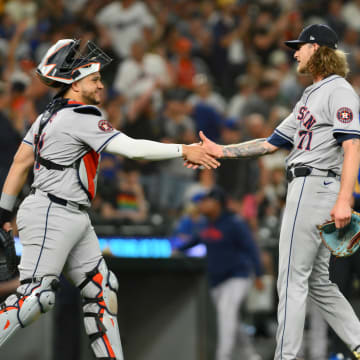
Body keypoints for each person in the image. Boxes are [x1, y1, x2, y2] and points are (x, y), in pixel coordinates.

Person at [0, 39, 219, 360]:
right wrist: (183, 149)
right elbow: (132, 148)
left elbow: (20, 162)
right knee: (35, 297)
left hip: (70, 214)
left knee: (102, 291)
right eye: (94, 79)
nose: (102, 84)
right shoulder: (80, 117)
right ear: (74, 84)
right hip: (52, 211)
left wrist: (4, 210)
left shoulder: (48, 115)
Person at [191, 24, 360, 360]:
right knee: (317, 283)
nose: (294, 52)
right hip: (312, 185)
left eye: (300, 47)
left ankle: (285, 356)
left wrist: (345, 199)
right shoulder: (311, 95)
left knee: (290, 280)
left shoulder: (339, 90)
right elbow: (269, 144)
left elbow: (353, 144)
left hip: (314, 185)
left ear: (316, 49)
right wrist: (222, 151)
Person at [175, 186, 264, 360]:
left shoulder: (234, 222)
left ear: (217, 203)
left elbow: (251, 248)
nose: (202, 204)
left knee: (226, 314)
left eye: (206, 201)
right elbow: (196, 240)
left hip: (237, 276)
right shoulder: (209, 224)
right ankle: (251, 355)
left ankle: (223, 356)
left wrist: (259, 274)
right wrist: (178, 249)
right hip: (217, 280)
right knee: (230, 319)